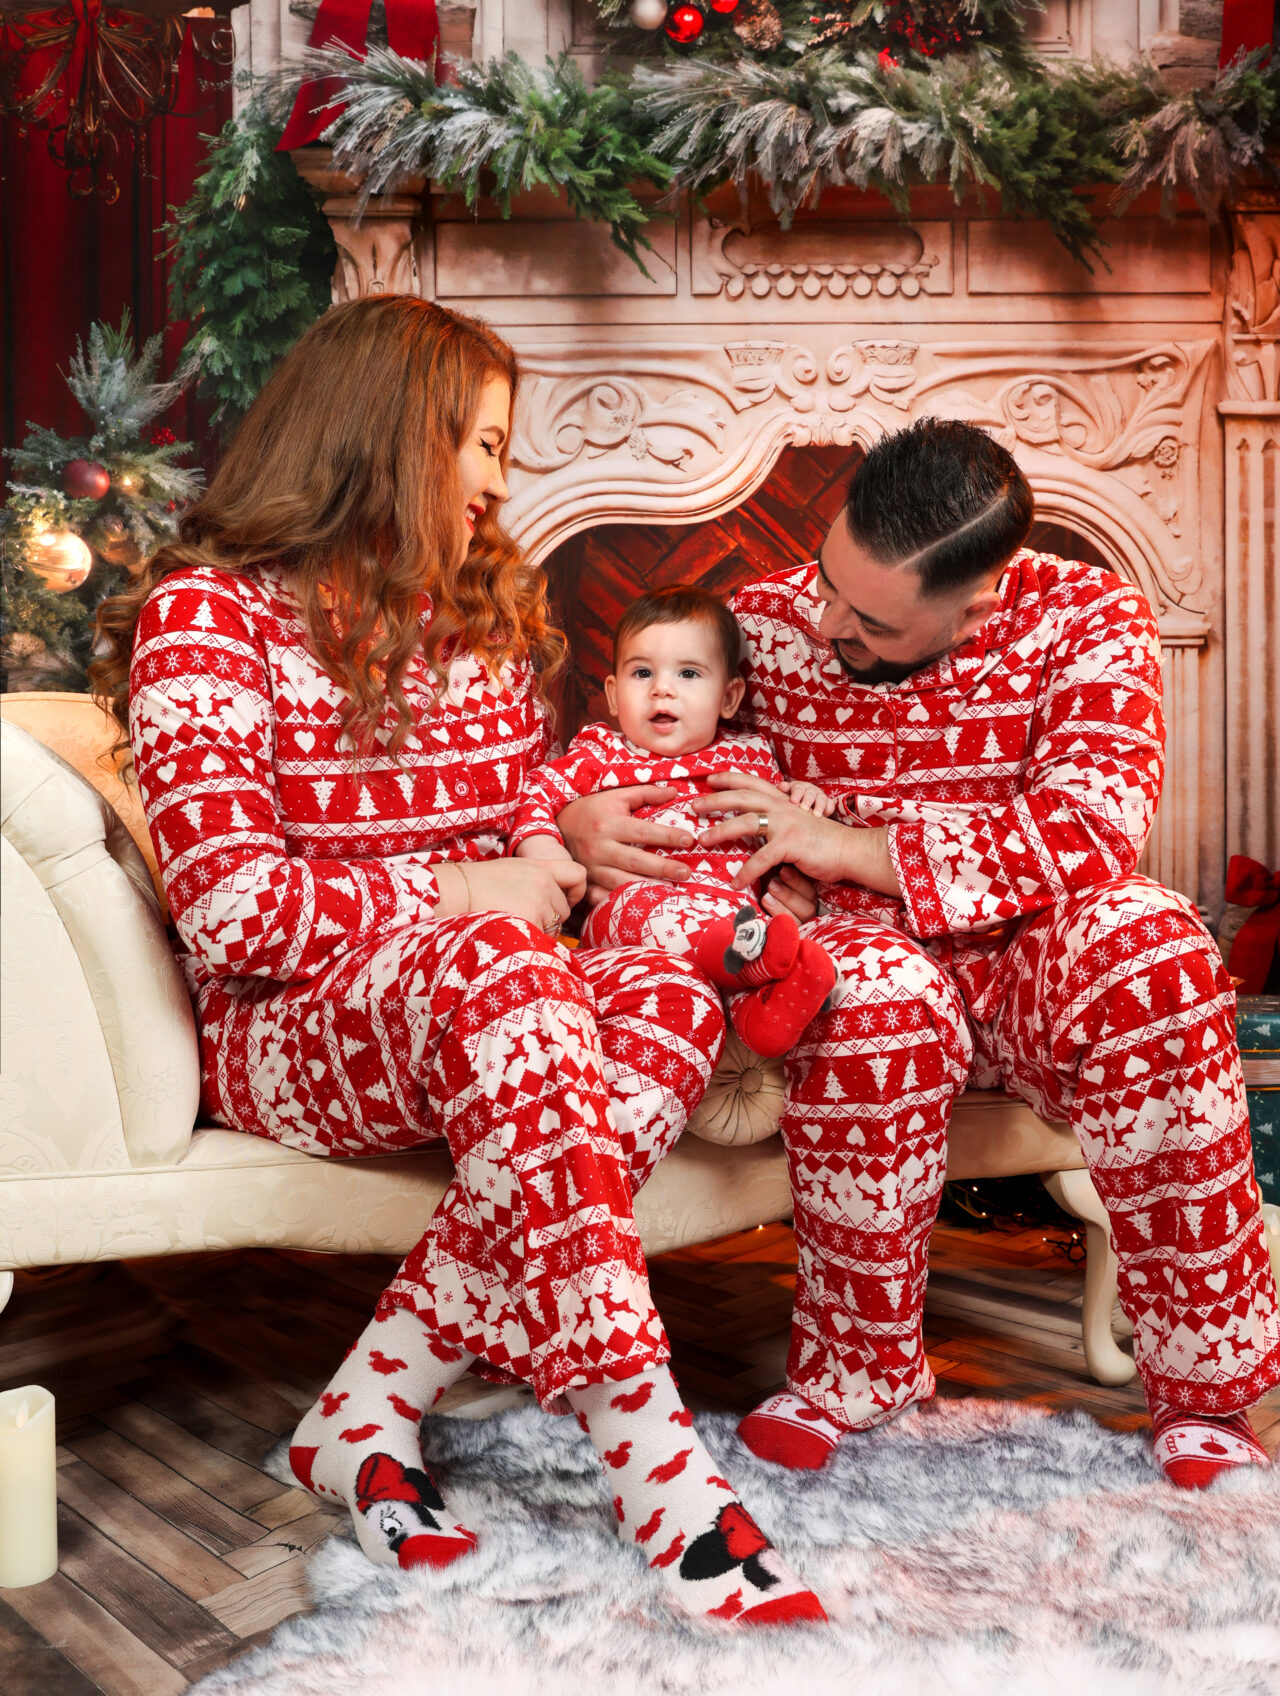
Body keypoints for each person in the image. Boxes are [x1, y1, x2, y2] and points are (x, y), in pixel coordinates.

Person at [93, 297, 825, 1626]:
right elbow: (230, 911)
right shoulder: (210, 619)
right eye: (477, 443)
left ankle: (368, 1409)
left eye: (503, 447)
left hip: (492, 1000)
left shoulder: (472, 614)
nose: (498, 478)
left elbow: (512, 831)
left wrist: (561, 836)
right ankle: (651, 1455)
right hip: (290, 1027)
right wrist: (472, 889)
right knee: (502, 957)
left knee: (660, 983)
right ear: (381, 433)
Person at [557, 418, 1279, 1490]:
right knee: (864, 992)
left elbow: (1086, 832)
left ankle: (1210, 1391)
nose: (824, 617)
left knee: (1157, 950)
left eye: (867, 617)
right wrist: (577, 830)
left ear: (977, 599)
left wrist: (850, 843)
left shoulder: (1090, 618)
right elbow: (647, 760)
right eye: (828, 579)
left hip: (1038, 949)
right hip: (852, 945)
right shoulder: (760, 619)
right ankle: (862, 1372)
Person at [509, 583, 837, 1058]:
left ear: (728, 698)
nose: (662, 687)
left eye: (687, 673)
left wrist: (804, 797)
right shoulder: (600, 751)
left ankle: (759, 1016)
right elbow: (533, 797)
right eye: (642, 672)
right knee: (646, 907)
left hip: (737, 914)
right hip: (629, 914)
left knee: (756, 932)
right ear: (615, 694)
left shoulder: (750, 754)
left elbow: (783, 816)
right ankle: (749, 959)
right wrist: (546, 852)